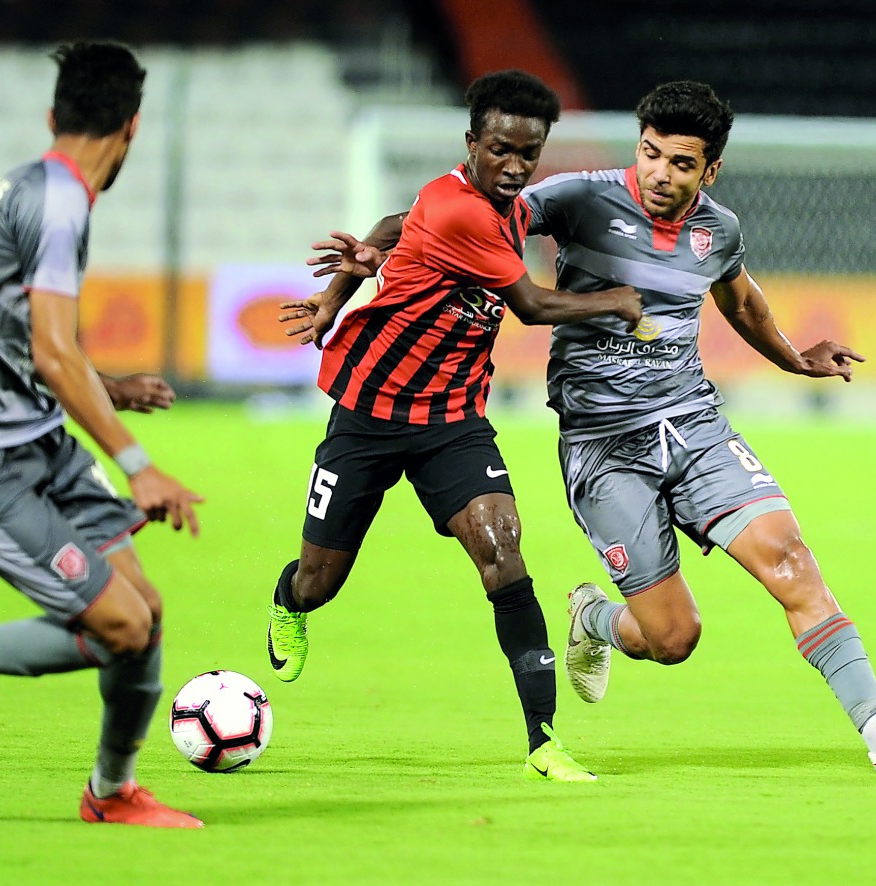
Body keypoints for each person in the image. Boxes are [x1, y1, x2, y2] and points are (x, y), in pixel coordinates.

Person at [307, 81, 876, 781]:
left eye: (681, 164)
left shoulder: (719, 231)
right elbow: (448, 219)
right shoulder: (578, 200)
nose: (660, 174)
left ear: (709, 171)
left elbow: (741, 303)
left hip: (692, 423)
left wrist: (796, 358)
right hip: (603, 447)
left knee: (789, 558)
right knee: (674, 638)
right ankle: (595, 621)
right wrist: (372, 263)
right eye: (651, 154)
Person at [267, 69, 642, 782]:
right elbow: (531, 306)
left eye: (528, 154)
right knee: (319, 582)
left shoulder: (500, 206)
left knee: (503, 549)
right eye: (500, 150)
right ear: (472, 142)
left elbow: (385, 228)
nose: (514, 166)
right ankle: (288, 601)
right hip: (368, 413)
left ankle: (543, 740)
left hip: (452, 419)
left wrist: (334, 295)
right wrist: (614, 300)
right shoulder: (458, 208)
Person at [0, 42, 204, 827]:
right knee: (121, 626)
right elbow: (51, 351)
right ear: (132, 127)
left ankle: (111, 793)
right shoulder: (59, 202)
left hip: (34, 435)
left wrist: (111, 388)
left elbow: (22, 344)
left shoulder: (31, 190)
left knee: (144, 614)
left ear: (52, 115)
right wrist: (139, 465)